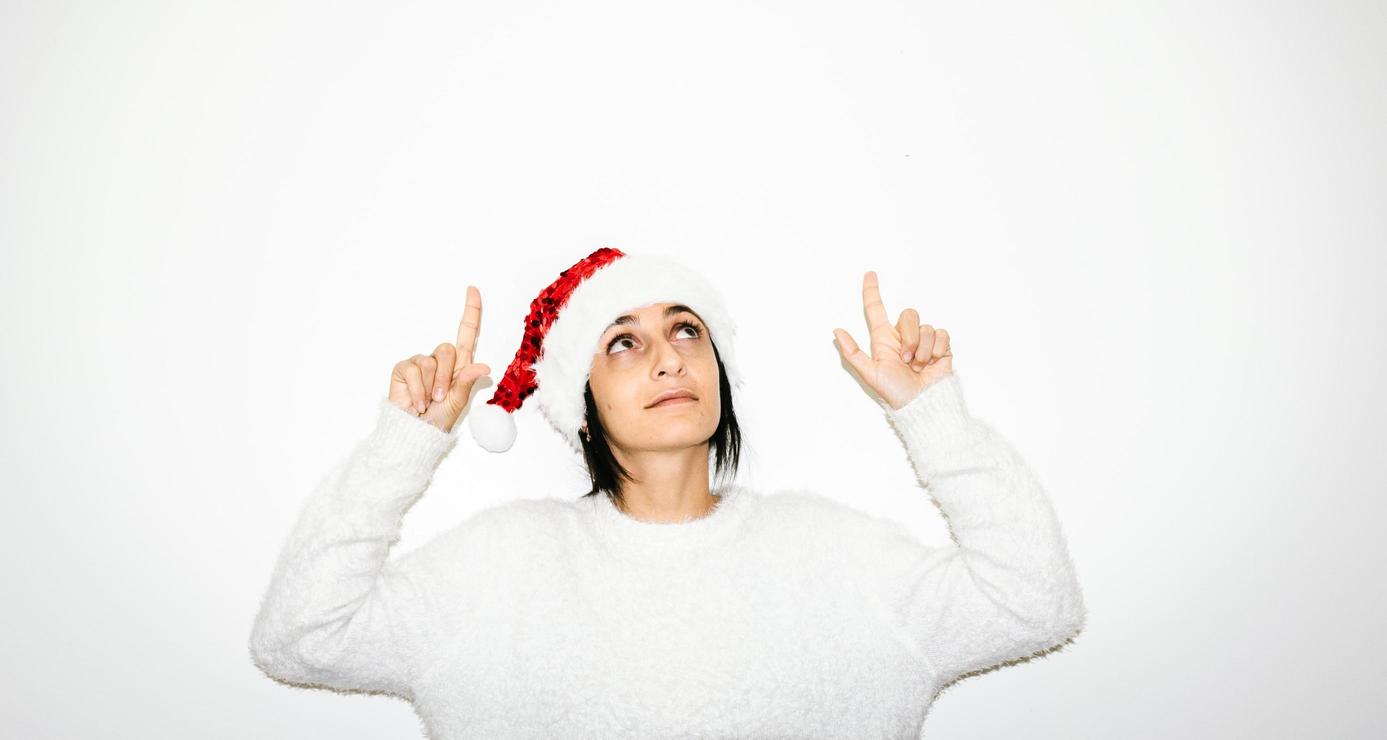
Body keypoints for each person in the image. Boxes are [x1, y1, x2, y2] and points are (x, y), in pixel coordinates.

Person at [248, 248, 1086, 738]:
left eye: (687, 330)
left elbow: (1033, 604)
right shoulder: (501, 567)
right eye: (622, 342)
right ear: (579, 407)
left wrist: (929, 414)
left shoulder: (834, 557)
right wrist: (407, 443)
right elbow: (300, 637)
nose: (667, 357)